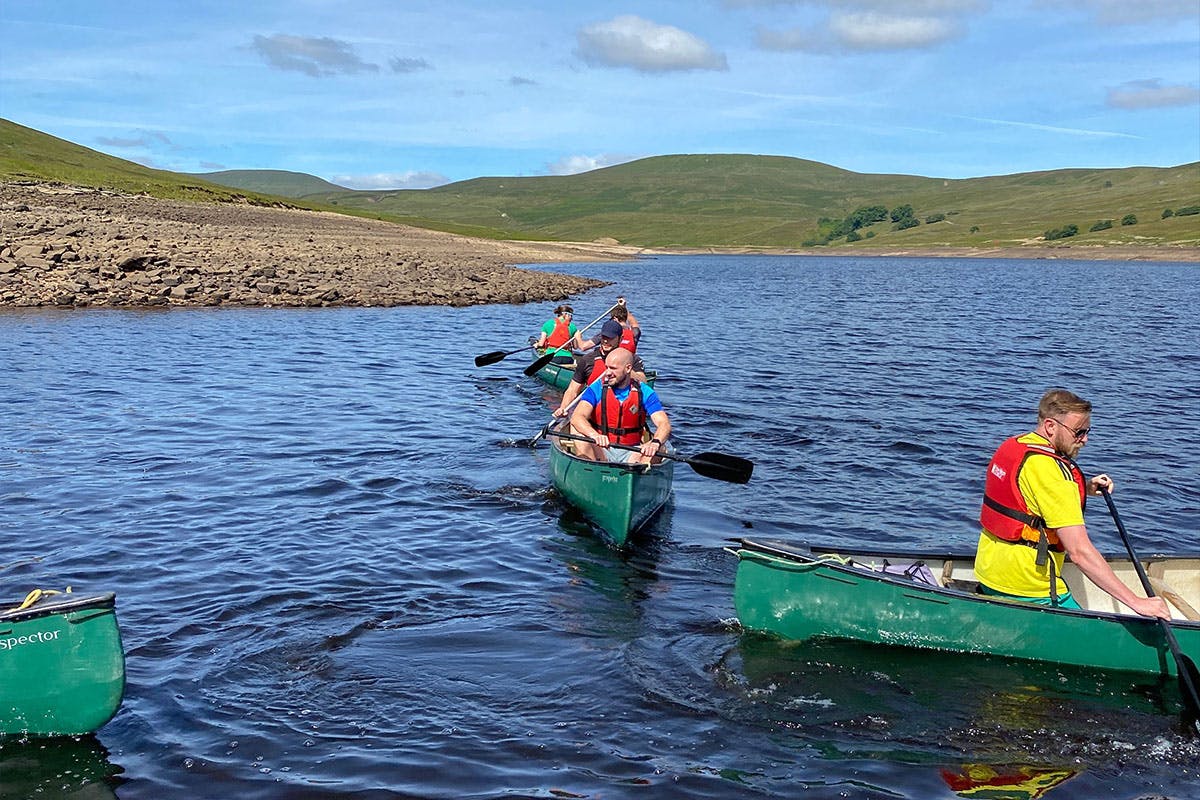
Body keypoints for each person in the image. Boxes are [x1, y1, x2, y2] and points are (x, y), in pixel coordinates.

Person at [975, 388, 1169, 619]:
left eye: (1087, 431)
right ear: (1050, 426)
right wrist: (1137, 603)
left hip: (988, 572)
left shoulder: (1013, 446)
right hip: (1027, 587)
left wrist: (1084, 488)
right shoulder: (1053, 474)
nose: (1085, 440)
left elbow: (1029, 497)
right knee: (1096, 635)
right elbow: (1079, 553)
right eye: (1078, 432)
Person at [569, 347, 670, 465]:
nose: (607, 373)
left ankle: (639, 471)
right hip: (601, 448)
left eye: (613, 368)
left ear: (628, 368)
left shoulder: (645, 392)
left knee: (660, 448)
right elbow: (577, 417)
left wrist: (655, 443)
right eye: (606, 367)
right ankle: (591, 469)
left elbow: (664, 424)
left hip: (633, 451)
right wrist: (594, 435)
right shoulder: (596, 388)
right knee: (578, 434)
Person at [555, 319, 648, 417]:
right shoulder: (588, 360)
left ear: (620, 339)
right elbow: (572, 390)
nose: (605, 341)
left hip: (623, 413)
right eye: (603, 337)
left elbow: (644, 382)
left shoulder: (631, 359)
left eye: (610, 338)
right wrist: (563, 408)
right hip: (595, 415)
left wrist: (625, 369)